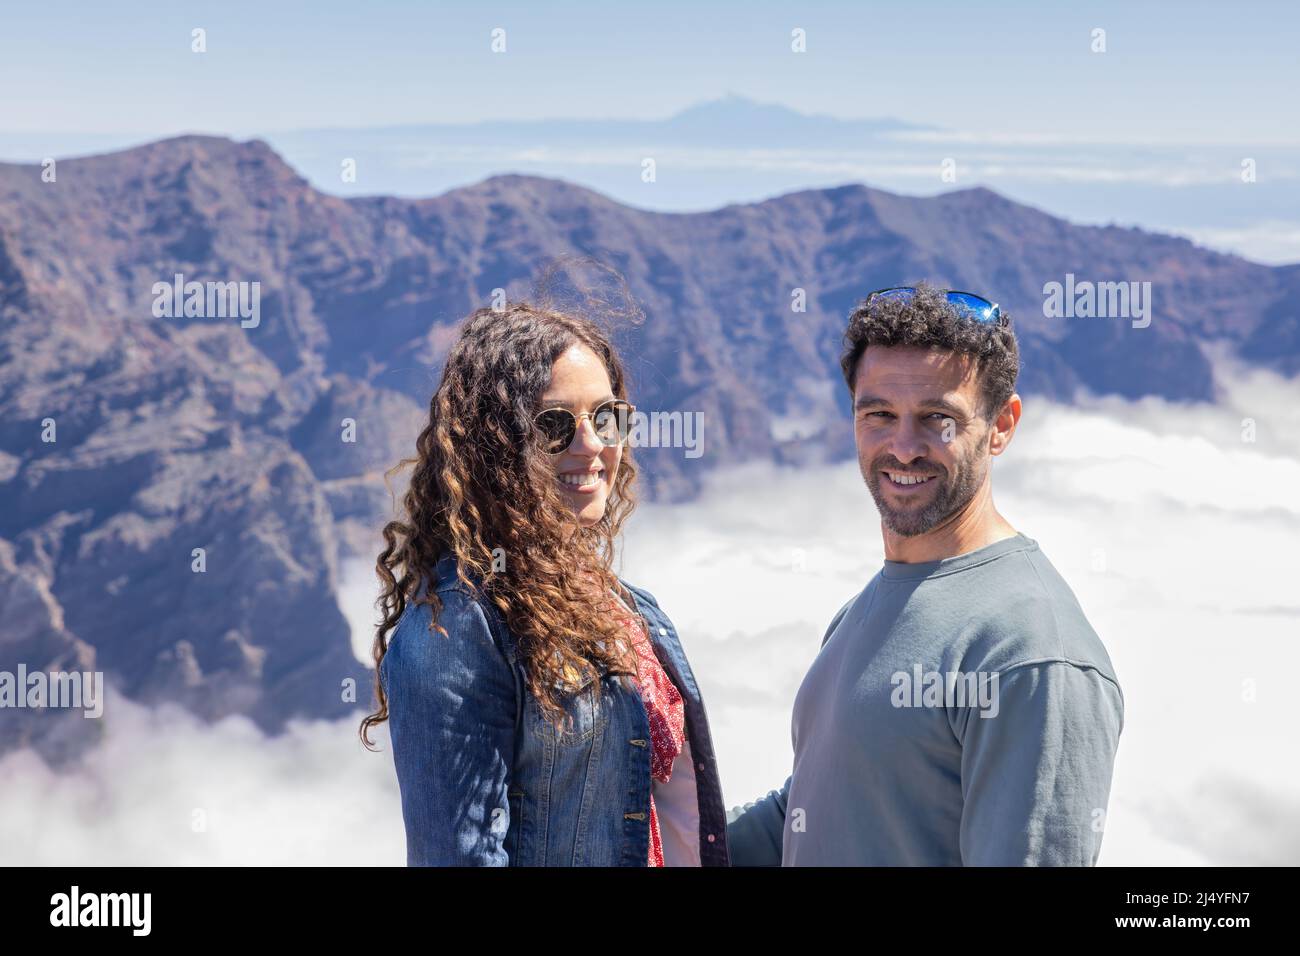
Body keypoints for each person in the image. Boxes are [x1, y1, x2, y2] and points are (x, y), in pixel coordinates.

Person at [727, 282, 1124, 866]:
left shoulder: (1031, 654)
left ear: (1002, 425)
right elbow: (819, 811)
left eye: (938, 419)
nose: (904, 447)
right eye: (880, 414)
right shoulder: (875, 600)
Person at [361, 300, 729, 866]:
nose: (591, 445)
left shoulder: (631, 609)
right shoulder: (457, 629)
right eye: (553, 425)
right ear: (494, 445)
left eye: (607, 417)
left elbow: (667, 820)